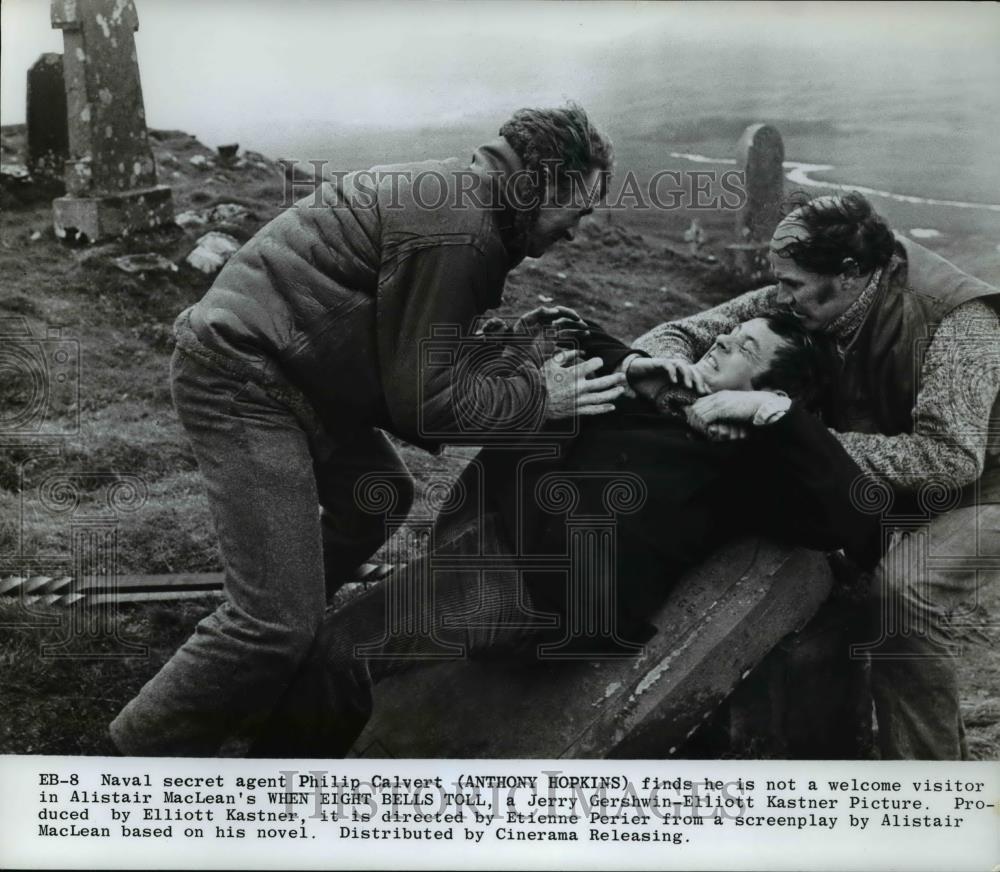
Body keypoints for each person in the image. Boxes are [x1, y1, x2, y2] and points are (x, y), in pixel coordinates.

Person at [109, 104, 627, 756]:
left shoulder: (468, 201)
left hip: (291, 369)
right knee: (272, 622)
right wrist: (535, 394)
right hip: (246, 377)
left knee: (374, 495)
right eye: (577, 213)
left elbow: (406, 354)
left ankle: (266, 658)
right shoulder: (462, 232)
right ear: (544, 185)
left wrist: (508, 351)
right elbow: (426, 404)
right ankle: (131, 757)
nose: (577, 233)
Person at [247, 312, 882, 757]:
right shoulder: (664, 393)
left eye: (743, 348)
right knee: (331, 651)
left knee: (336, 654)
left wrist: (779, 418)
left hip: (536, 581)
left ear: (772, 389)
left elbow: (861, 520)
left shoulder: (752, 469)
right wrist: (637, 366)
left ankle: (271, 823)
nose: (717, 343)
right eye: (727, 333)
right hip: (490, 530)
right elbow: (580, 334)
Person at [634, 191, 1000, 759]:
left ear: (851, 274)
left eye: (791, 285)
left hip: (986, 486)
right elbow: (674, 338)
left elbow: (952, 458)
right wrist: (690, 403)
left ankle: (934, 788)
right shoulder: (813, 292)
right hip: (887, 478)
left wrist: (785, 428)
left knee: (902, 592)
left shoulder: (960, 319)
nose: (777, 297)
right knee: (828, 576)